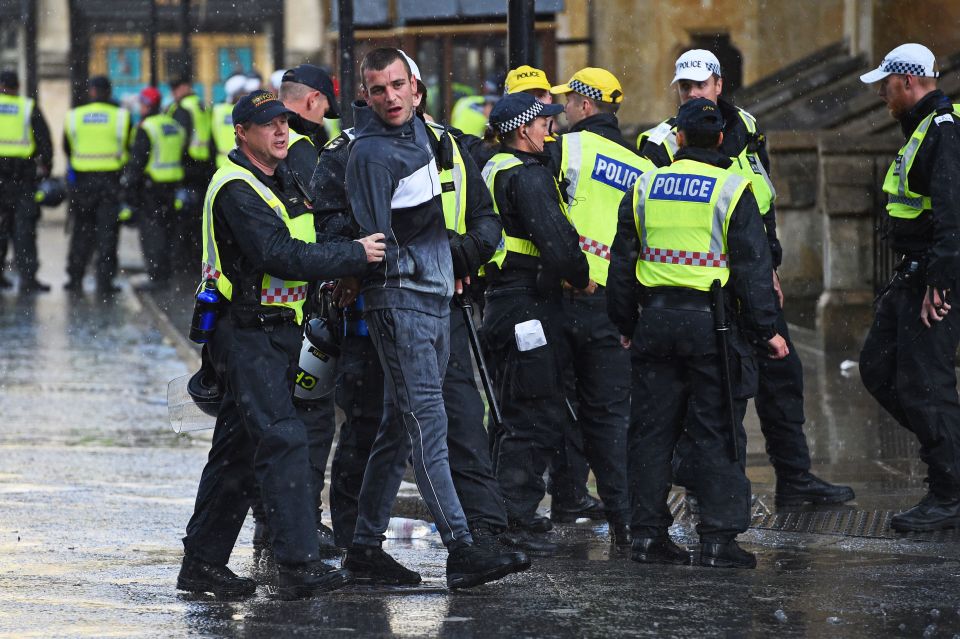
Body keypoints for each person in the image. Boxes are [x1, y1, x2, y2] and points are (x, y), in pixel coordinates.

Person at [177, 89, 386, 600]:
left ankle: (201, 564)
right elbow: (278, 253)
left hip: (274, 331)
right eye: (267, 124)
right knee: (284, 437)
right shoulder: (235, 187)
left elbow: (302, 244)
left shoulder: (279, 179)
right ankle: (298, 562)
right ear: (241, 133)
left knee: (237, 453)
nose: (280, 131)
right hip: (245, 331)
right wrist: (352, 256)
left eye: (284, 123)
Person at [342, 47, 527, 589]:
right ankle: (463, 548)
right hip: (401, 304)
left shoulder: (425, 137)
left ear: (416, 88)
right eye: (378, 89)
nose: (390, 96)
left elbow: (437, 222)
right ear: (367, 96)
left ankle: (362, 549)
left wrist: (451, 262)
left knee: (400, 429)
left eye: (398, 85)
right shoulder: (371, 153)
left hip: (433, 299)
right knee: (428, 423)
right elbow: (375, 245)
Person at [639, 49, 854, 508]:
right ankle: (713, 491)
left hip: (753, 279)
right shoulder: (660, 142)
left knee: (783, 377)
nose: (693, 93)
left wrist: (768, 266)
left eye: (701, 84)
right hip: (705, 286)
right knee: (718, 395)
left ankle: (795, 479)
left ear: (719, 85)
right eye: (685, 86)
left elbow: (762, 199)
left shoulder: (747, 129)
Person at [608, 98, 789, 569]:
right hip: (713, 325)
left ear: (681, 138)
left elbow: (622, 263)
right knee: (717, 430)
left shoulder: (645, 184)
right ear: (721, 139)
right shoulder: (733, 187)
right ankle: (717, 540)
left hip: (656, 323)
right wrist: (766, 330)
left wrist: (626, 323)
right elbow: (753, 267)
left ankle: (646, 535)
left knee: (650, 432)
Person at [544, 67, 656, 540]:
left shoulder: (568, 149)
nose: (562, 111)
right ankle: (623, 514)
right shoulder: (645, 169)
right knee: (610, 412)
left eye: (567, 102)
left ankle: (567, 497)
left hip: (564, 292)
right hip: (614, 305)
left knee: (556, 403)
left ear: (585, 106)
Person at [481, 91, 595, 554]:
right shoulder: (526, 177)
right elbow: (558, 241)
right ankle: (515, 514)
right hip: (527, 302)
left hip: (503, 302)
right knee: (534, 410)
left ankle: (498, 509)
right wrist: (581, 277)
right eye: (544, 122)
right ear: (523, 130)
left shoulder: (492, 167)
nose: (551, 128)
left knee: (509, 410)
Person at [858, 43, 960, 532]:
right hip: (914, 272)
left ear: (908, 81)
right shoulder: (922, 128)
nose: (882, 92)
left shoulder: (943, 130)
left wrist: (939, 282)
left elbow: (952, 210)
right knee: (878, 369)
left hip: (933, 276)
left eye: (886, 83)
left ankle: (950, 490)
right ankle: (950, 454)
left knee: (926, 383)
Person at [246, 63, 345, 563]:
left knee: (280, 427)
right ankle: (295, 528)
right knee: (306, 424)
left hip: (286, 314)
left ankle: (281, 526)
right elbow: (303, 241)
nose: (327, 114)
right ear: (311, 102)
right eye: (326, 104)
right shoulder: (306, 157)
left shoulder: (275, 162)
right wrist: (351, 257)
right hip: (295, 314)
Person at [63, 75, 130, 295]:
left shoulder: (75, 116)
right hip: (110, 183)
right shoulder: (121, 116)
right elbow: (128, 148)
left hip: (82, 184)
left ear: (91, 91)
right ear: (108, 92)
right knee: (107, 234)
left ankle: (75, 278)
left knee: (81, 232)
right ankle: (104, 282)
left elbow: (67, 147)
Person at [121, 86, 185, 290]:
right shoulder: (173, 125)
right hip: (172, 187)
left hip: (151, 188)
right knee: (168, 231)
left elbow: (137, 161)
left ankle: (156, 276)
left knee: (152, 234)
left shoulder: (147, 127)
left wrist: (129, 189)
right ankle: (166, 273)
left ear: (148, 105)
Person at [0, 70, 52, 293]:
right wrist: (46, 166)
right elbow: (44, 141)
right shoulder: (28, 107)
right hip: (22, 178)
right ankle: (28, 279)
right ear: (18, 85)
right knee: (24, 230)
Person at [168, 76, 212, 267]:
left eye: (176, 88)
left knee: (183, 218)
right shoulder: (201, 105)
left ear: (184, 87)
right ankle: (197, 257)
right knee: (199, 217)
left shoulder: (181, 108)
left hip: (187, 166)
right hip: (204, 167)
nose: (174, 93)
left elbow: (178, 138)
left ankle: (183, 259)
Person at [210, 74, 249, 168]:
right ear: (237, 93)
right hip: (238, 162)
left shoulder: (217, 109)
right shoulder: (244, 111)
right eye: (244, 91)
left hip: (222, 161)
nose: (247, 94)